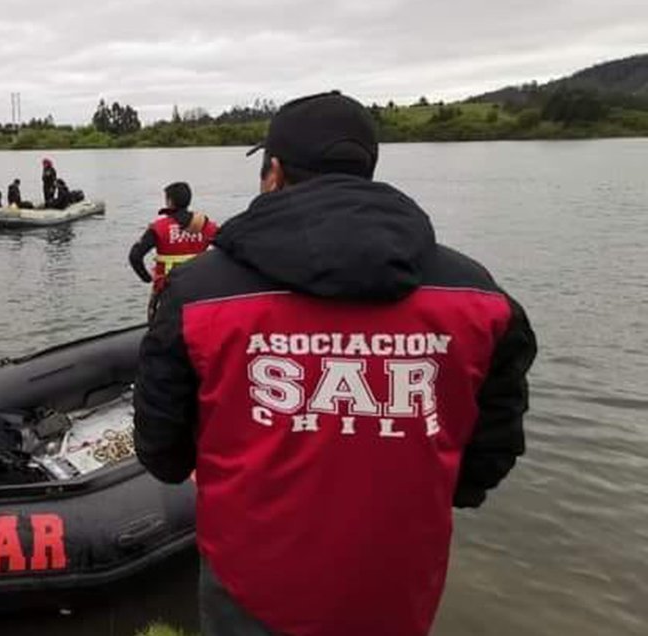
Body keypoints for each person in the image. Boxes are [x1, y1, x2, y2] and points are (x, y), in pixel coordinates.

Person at [133, 92, 537, 636]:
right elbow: (490, 451)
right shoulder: (479, 299)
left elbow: (161, 450)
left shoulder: (200, 296)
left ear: (273, 172)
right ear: (366, 169)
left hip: (250, 584)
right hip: (397, 586)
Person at [128, 182, 217, 318]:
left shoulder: (159, 227)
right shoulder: (206, 226)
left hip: (168, 290)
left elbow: (135, 256)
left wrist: (146, 278)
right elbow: (229, 247)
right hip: (199, 289)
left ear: (169, 202)